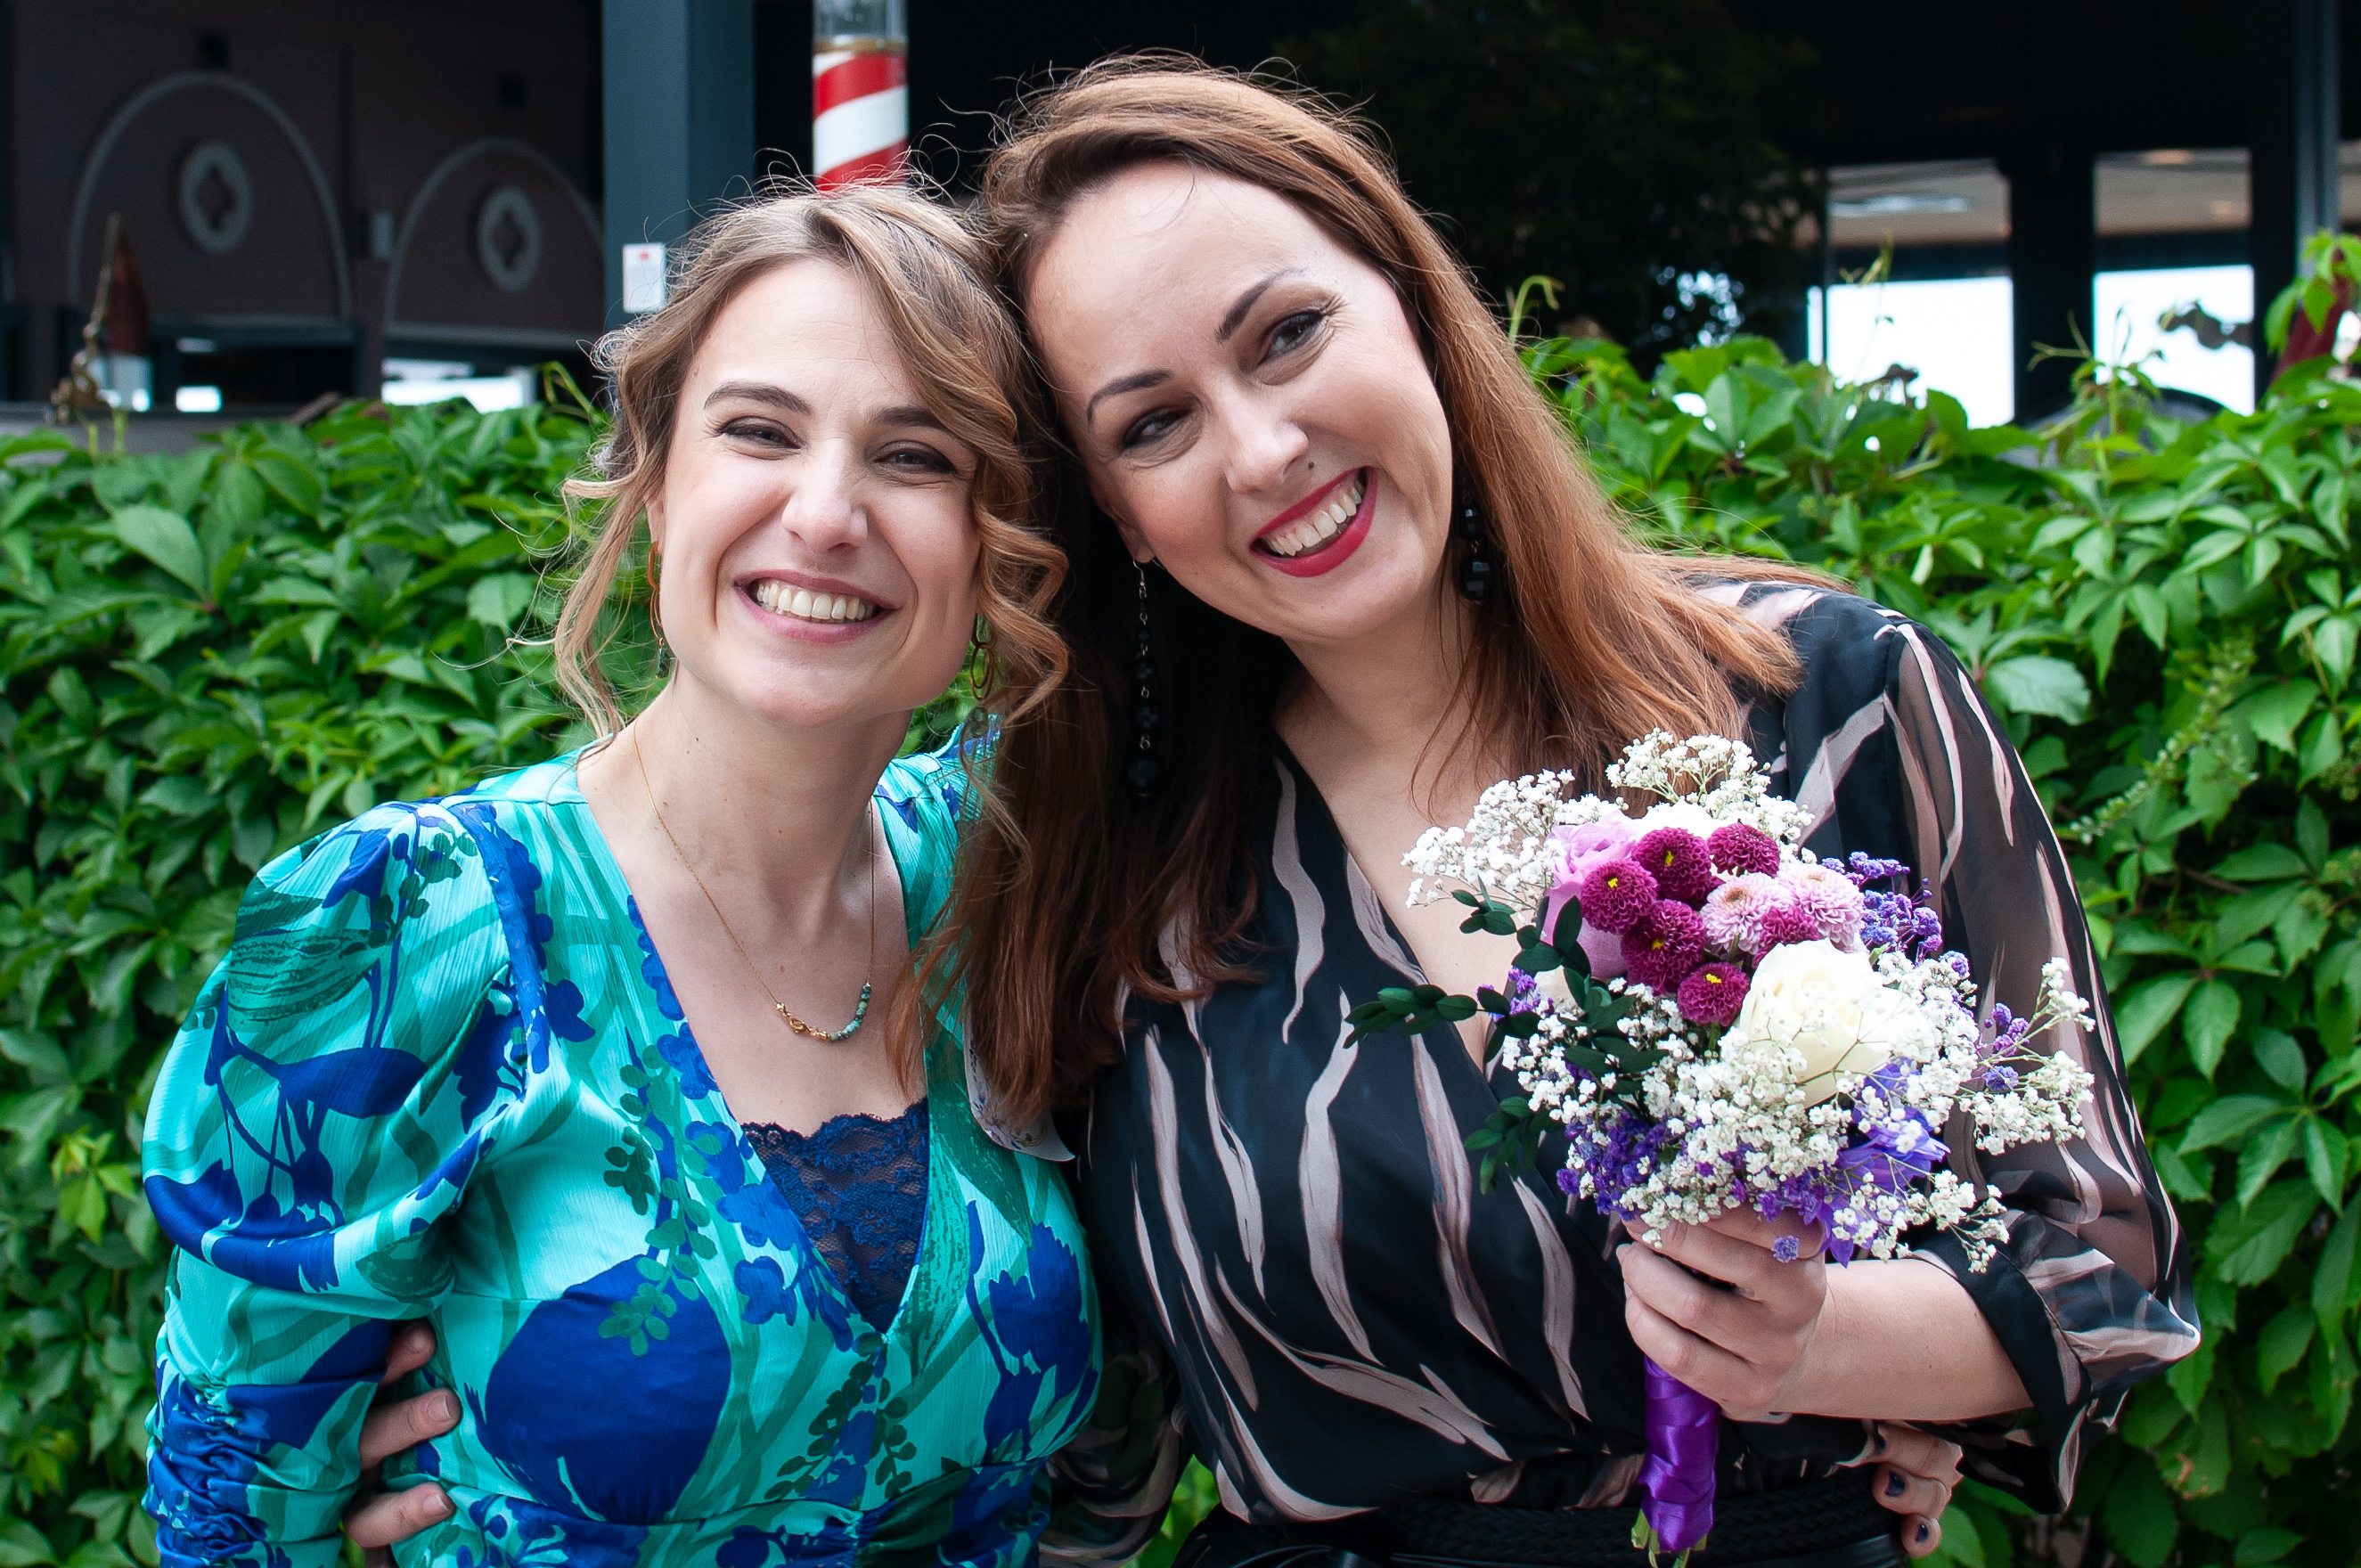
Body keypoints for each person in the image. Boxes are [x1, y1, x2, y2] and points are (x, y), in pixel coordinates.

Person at [931, 58, 2198, 1568]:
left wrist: (1817, 1344)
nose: (1262, 451)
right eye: (1151, 425)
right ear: (1114, 515)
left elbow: (2100, 1273)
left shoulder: (1831, 699)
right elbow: (1078, 1429)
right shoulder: (1111, 865)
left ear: (1413, 304)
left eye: (1286, 334)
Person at [138, 185, 1098, 1568]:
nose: (825, 513)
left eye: (916, 455)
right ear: (655, 486)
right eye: (758, 431)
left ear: (1001, 537)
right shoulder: (417, 925)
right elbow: (233, 1511)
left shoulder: (1003, 870)